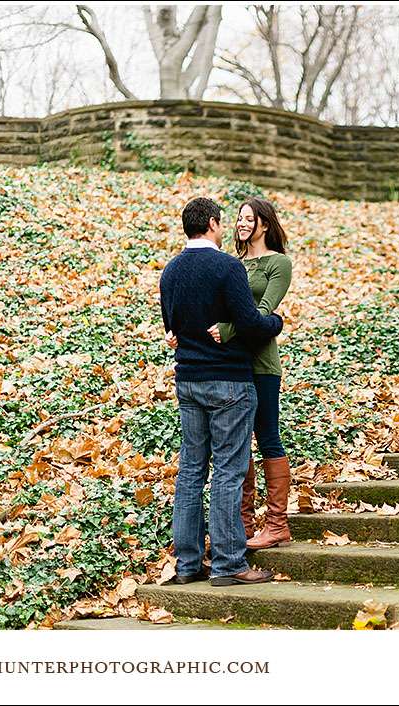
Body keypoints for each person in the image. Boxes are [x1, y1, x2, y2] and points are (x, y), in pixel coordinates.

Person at [158, 196, 282, 586]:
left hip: (188, 380)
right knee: (228, 472)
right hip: (229, 380)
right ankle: (229, 564)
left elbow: (171, 326)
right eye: (221, 222)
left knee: (191, 472)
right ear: (212, 224)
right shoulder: (228, 267)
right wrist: (274, 322)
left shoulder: (170, 271)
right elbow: (247, 321)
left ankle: (188, 564)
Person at [208, 197, 293, 550]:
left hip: (261, 364)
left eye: (248, 218)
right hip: (231, 364)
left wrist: (228, 330)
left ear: (265, 224)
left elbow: (261, 312)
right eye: (239, 218)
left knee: (267, 436)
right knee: (237, 442)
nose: (241, 223)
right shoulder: (232, 264)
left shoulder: (279, 263)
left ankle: (277, 524)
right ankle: (243, 524)